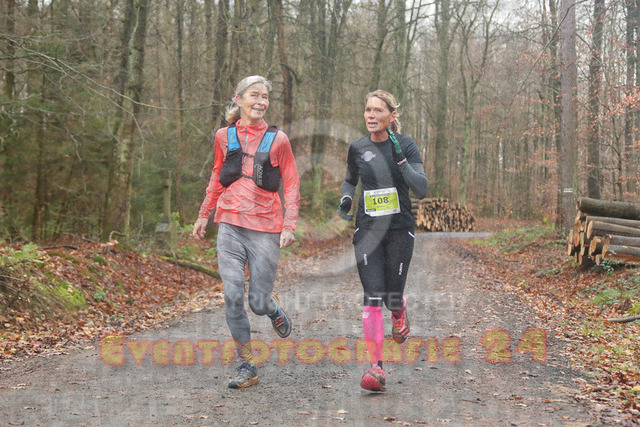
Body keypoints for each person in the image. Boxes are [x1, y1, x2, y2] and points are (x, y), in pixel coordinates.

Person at [193, 75, 300, 389]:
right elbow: (217, 175)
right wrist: (204, 214)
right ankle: (246, 365)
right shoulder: (223, 136)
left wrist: (289, 225)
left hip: (266, 228)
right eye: (255, 95)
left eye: (265, 97)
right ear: (239, 99)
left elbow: (292, 184)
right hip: (229, 224)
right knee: (232, 295)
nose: (261, 101)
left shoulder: (278, 140)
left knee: (257, 302)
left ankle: (271, 308)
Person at [338, 90, 428, 392]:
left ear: (392, 116)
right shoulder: (358, 147)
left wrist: (401, 161)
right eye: (368, 110)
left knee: (391, 296)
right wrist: (347, 197)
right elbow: (350, 179)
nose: (371, 115)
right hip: (367, 230)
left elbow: (422, 188)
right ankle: (375, 367)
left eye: (378, 110)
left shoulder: (406, 145)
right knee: (373, 295)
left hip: (400, 229)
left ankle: (399, 310)